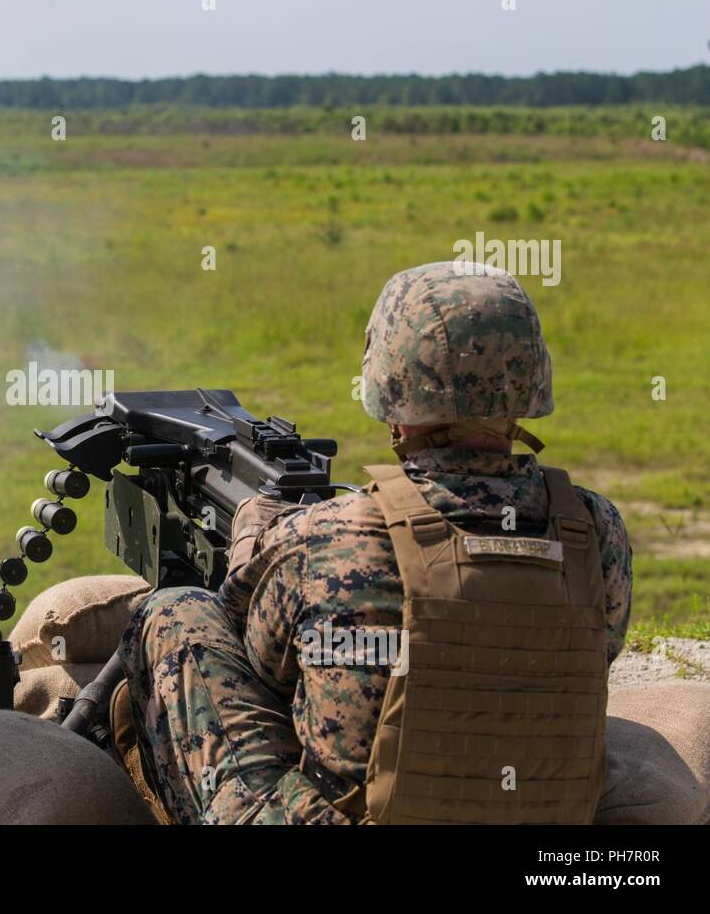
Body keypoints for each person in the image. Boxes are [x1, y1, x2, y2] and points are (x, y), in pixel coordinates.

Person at [119, 261, 632, 824]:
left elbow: (257, 660)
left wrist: (252, 542)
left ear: (390, 384)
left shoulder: (330, 537)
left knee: (175, 613)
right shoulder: (595, 529)